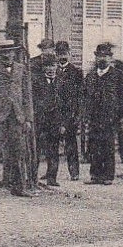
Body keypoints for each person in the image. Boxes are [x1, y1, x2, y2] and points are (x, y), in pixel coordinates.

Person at [0, 43, 34, 197]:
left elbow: (26, 96)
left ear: (14, 53)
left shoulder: (21, 69)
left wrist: (28, 118)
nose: (7, 55)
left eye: (10, 52)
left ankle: (17, 187)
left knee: (17, 151)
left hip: (16, 117)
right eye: (4, 52)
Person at [81, 43, 123, 184]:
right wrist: (85, 115)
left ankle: (107, 176)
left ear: (110, 58)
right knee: (94, 145)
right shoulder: (91, 76)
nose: (102, 59)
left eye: (105, 56)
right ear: (96, 57)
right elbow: (84, 97)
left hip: (110, 117)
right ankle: (95, 175)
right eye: (99, 56)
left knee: (108, 146)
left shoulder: (117, 76)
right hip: (94, 117)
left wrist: (122, 116)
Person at [33, 52, 67, 187]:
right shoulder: (36, 82)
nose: (51, 69)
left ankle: (52, 178)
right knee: (36, 150)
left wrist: (63, 123)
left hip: (55, 122)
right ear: (43, 68)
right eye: (48, 66)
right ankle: (32, 177)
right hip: (40, 121)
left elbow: (66, 104)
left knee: (53, 150)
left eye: (53, 65)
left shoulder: (62, 81)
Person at [52, 41, 84, 181]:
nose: (62, 57)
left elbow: (79, 96)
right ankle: (51, 172)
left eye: (64, 54)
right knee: (52, 144)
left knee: (71, 145)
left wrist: (76, 114)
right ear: (56, 55)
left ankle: (74, 172)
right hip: (54, 113)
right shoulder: (52, 70)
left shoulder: (76, 72)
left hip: (70, 113)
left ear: (69, 54)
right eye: (59, 54)